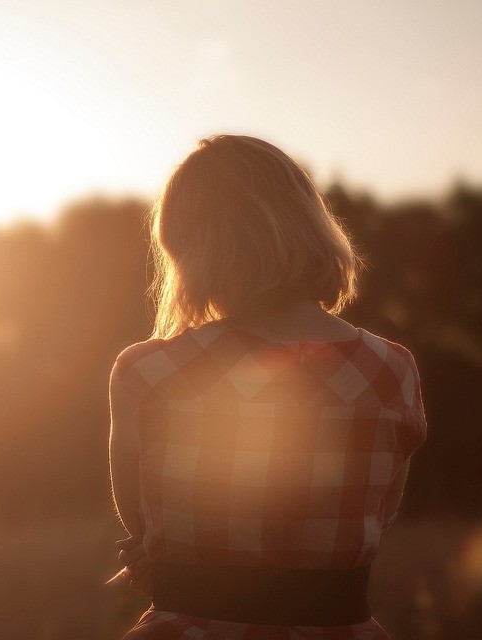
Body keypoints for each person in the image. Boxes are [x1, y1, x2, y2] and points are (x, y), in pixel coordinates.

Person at [108, 135, 426, 639]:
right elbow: (374, 518)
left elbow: (143, 523)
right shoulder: (392, 370)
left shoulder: (149, 372)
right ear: (308, 223)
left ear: (191, 248)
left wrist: (180, 564)